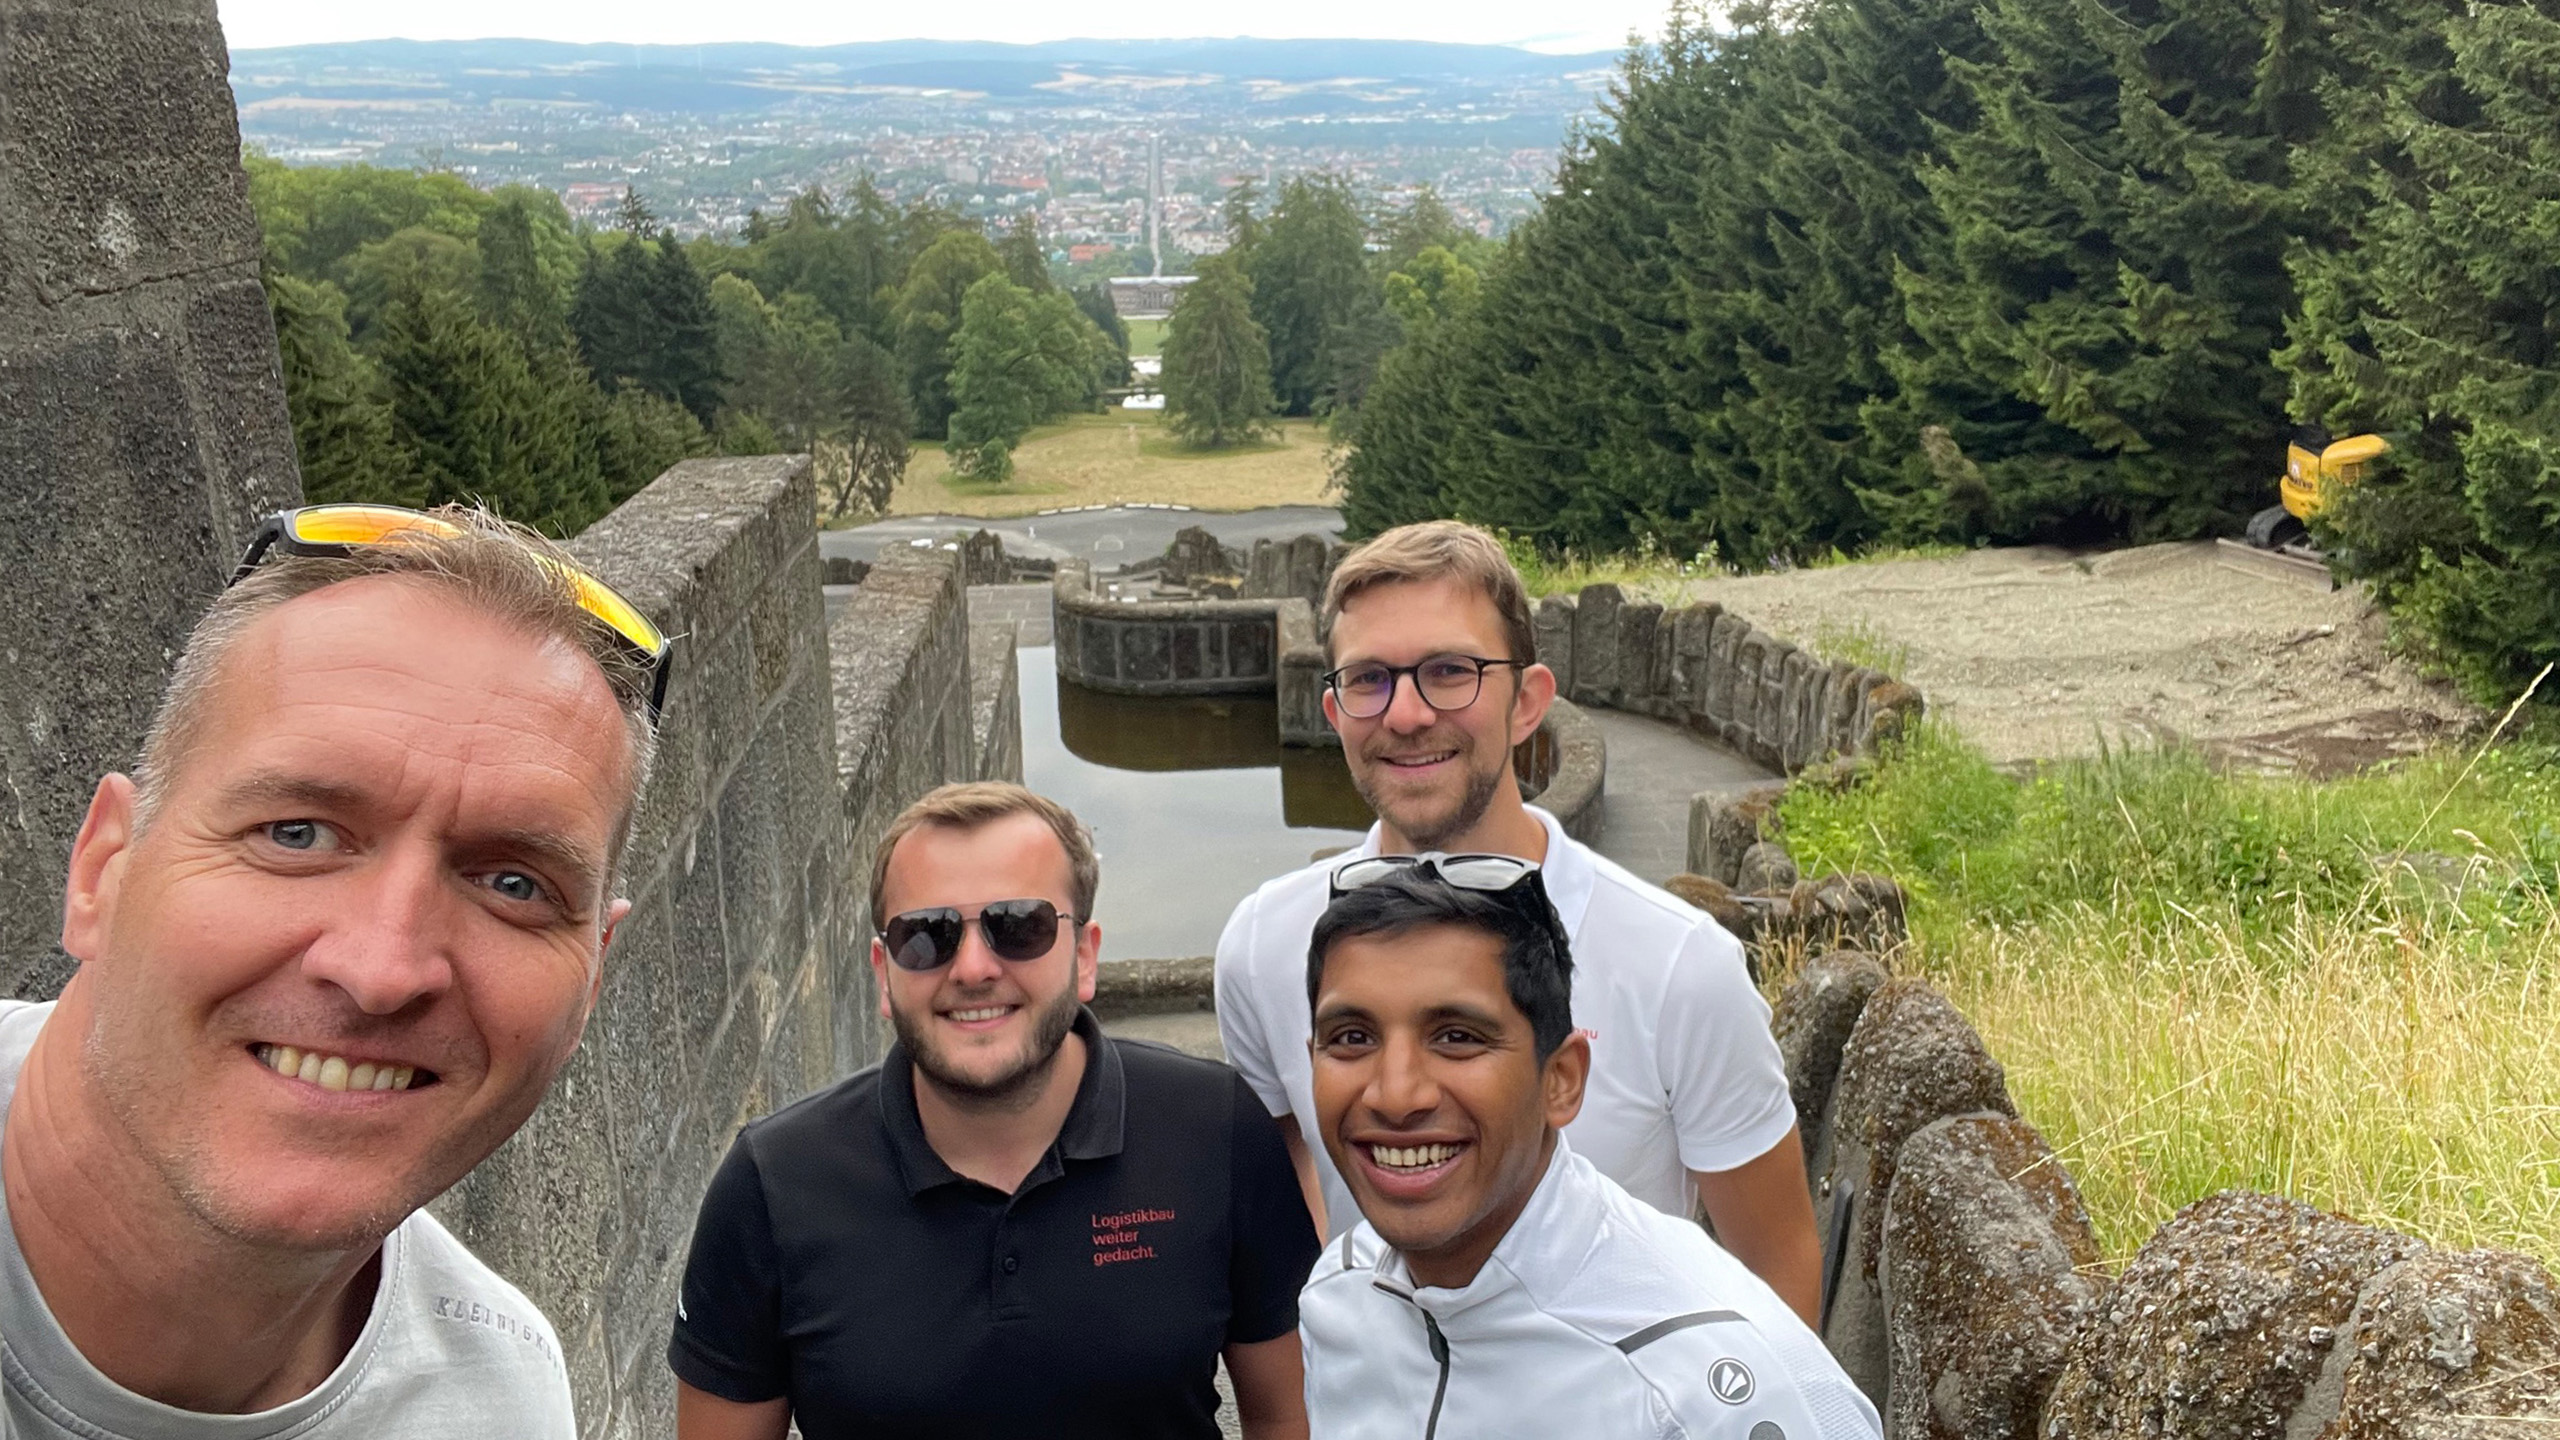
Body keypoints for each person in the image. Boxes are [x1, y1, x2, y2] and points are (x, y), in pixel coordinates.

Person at [2, 503, 674, 1436]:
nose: (382, 969)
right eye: (295, 834)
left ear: (591, 981)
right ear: (103, 871)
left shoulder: (501, 1405)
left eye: (514, 884)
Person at [1215, 520, 1824, 1324]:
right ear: (1334, 710)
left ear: (1528, 702)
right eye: (1369, 680)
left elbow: (1777, 1267)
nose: (1404, 714)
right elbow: (1302, 1207)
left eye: (1449, 671)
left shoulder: (1681, 966)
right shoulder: (1260, 947)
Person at [670, 782, 1320, 1440]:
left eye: (1020, 927)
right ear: (882, 974)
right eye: (927, 936)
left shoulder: (1217, 1131)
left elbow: (1286, 1417)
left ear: (1085, 955)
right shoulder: (773, 1185)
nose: (974, 968)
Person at [1298, 861, 1880, 1438]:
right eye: (1352, 1038)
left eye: (1457, 1038)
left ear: (1562, 1081)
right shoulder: (1338, 1297)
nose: (1396, 1095)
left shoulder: (1715, 1394)